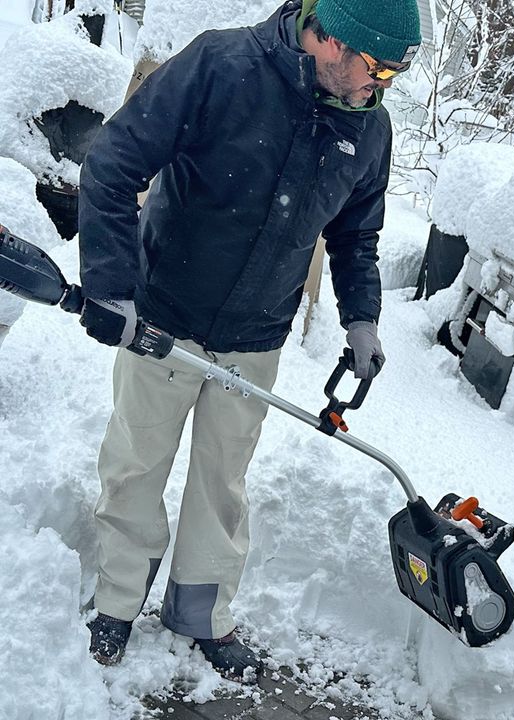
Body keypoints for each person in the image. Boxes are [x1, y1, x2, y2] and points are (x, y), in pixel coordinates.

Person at [76, 0, 420, 682]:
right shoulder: (221, 65)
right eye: (376, 68)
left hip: (256, 335)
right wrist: (111, 287)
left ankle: (200, 613)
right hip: (165, 319)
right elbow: (112, 164)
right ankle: (116, 601)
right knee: (136, 465)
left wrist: (362, 318)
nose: (379, 87)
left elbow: (356, 235)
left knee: (222, 484)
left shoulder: (369, 128)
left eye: (393, 75)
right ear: (331, 40)